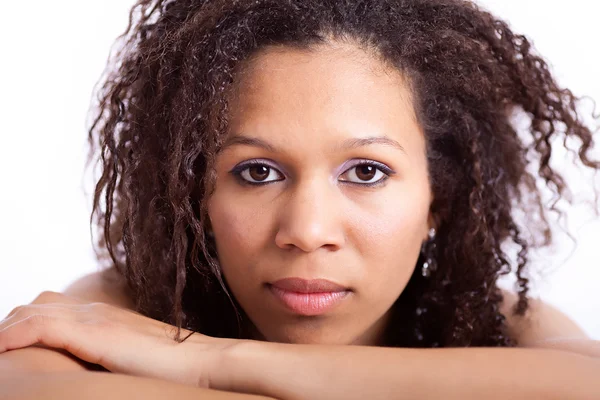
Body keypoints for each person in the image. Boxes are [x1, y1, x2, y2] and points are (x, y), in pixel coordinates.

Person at [1, 0, 599, 398]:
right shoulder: (123, 306)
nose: (308, 230)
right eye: (257, 171)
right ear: (196, 194)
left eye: (366, 171)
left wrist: (208, 363)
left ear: (439, 198)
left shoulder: (496, 323)